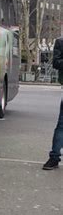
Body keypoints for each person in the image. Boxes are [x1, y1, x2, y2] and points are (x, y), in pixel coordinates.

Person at [42, 36, 63, 170]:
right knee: (62, 125)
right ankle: (54, 157)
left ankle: (54, 158)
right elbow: (56, 62)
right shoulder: (60, 42)